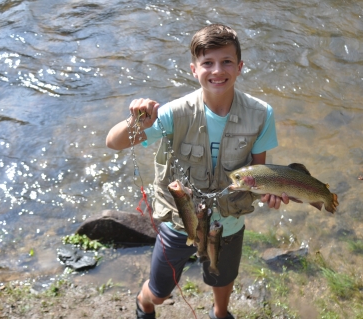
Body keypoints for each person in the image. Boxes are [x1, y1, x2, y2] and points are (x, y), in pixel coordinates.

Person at [106, 23, 288, 319]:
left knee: (223, 277)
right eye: (208, 63)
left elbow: (258, 171)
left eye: (226, 61)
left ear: (240, 66)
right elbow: (113, 142)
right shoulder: (172, 114)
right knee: (161, 293)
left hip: (229, 224)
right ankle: (145, 301)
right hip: (180, 221)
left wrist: (270, 192)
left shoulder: (261, 113)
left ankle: (220, 312)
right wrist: (137, 122)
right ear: (194, 69)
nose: (217, 70)